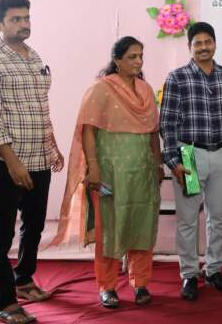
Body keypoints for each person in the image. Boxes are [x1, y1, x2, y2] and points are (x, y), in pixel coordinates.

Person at [53, 36, 162, 308]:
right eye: (132, 57)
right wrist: (93, 167)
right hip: (110, 170)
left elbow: (153, 132)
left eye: (140, 56)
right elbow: (88, 130)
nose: (138, 62)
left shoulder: (146, 90)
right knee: (109, 227)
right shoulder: (101, 89)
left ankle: (141, 283)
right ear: (117, 61)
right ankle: (107, 286)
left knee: (142, 224)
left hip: (142, 170)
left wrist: (158, 164)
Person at [0, 0, 65, 324]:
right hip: (7, 162)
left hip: (40, 158)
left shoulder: (34, 57)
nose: (24, 24)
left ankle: (24, 279)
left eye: (26, 17)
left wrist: (52, 145)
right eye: (16, 19)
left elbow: (40, 108)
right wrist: (12, 162)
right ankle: (6, 302)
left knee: (34, 226)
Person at [160, 22, 222, 301]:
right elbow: (167, 124)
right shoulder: (177, 77)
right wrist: (174, 161)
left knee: (218, 216)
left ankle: (213, 269)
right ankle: (189, 273)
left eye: (208, 41)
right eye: (198, 43)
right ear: (190, 47)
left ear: (215, 44)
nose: (204, 47)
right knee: (188, 220)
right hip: (189, 155)